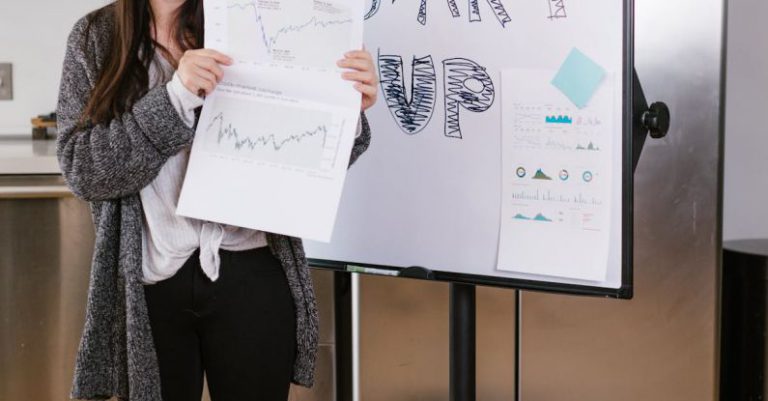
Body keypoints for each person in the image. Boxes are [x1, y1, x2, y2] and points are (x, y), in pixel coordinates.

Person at [56, 1, 376, 400]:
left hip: (253, 267)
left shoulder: (252, 17)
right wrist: (175, 97)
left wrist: (345, 108)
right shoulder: (95, 38)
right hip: (150, 281)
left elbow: (301, 151)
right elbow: (83, 170)